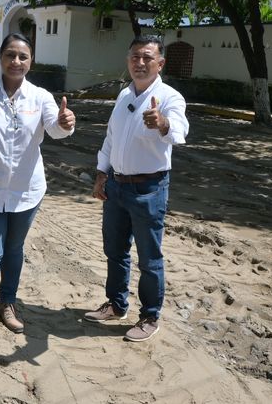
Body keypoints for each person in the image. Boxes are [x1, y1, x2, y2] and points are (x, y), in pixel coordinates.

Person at [0, 33, 76, 343]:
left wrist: (65, 122)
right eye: (10, 55)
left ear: (30, 60)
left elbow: (55, 130)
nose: (16, 61)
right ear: (1, 57)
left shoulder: (40, 97)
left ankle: (7, 303)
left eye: (23, 56)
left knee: (13, 250)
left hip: (27, 191)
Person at [84, 35, 189, 342]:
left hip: (149, 189)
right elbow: (111, 139)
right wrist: (102, 174)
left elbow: (180, 132)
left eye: (146, 58)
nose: (139, 63)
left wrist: (163, 123)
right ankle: (117, 305)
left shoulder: (170, 98)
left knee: (149, 258)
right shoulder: (123, 95)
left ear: (160, 63)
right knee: (115, 251)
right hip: (116, 186)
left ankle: (150, 316)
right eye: (134, 57)